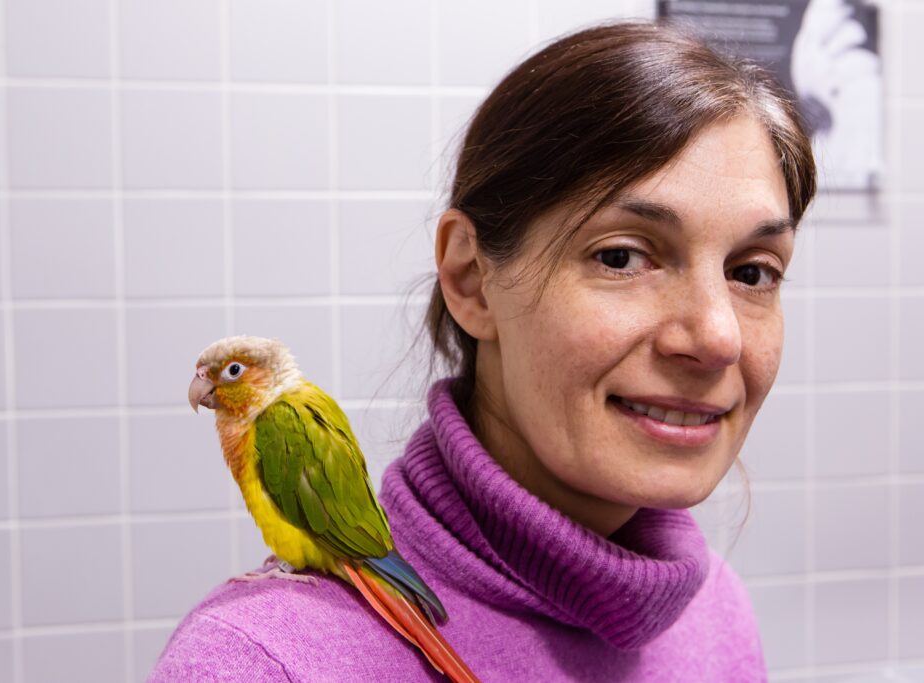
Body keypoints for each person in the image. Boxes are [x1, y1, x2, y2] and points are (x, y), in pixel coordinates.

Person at [150, 19, 816, 682]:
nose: (717, 336)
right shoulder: (261, 663)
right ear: (471, 279)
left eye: (753, 271)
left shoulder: (716, 614)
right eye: (621, 256)